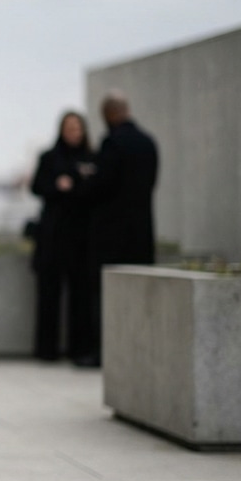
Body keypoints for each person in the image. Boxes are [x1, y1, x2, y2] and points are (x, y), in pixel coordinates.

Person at [74, 92, 160, 368]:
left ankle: (105, 353)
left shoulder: (112, 144)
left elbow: (101, 187)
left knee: (106, 296)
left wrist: (85, 182)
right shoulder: (148, 143)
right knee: (139, 297)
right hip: (142, 233)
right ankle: (137, 353)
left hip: (111, 236)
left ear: (109, 114)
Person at [29, 111, 96, 362]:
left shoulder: (91, 158)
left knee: (81, 295)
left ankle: (80, 349)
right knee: (49, 294)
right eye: (69, 128)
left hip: (80, 237)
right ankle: (46, 350)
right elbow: (36, 187)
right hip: (52, 236)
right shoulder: (49, 157)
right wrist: (57, 186)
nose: (73, 133)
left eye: (77, 128)